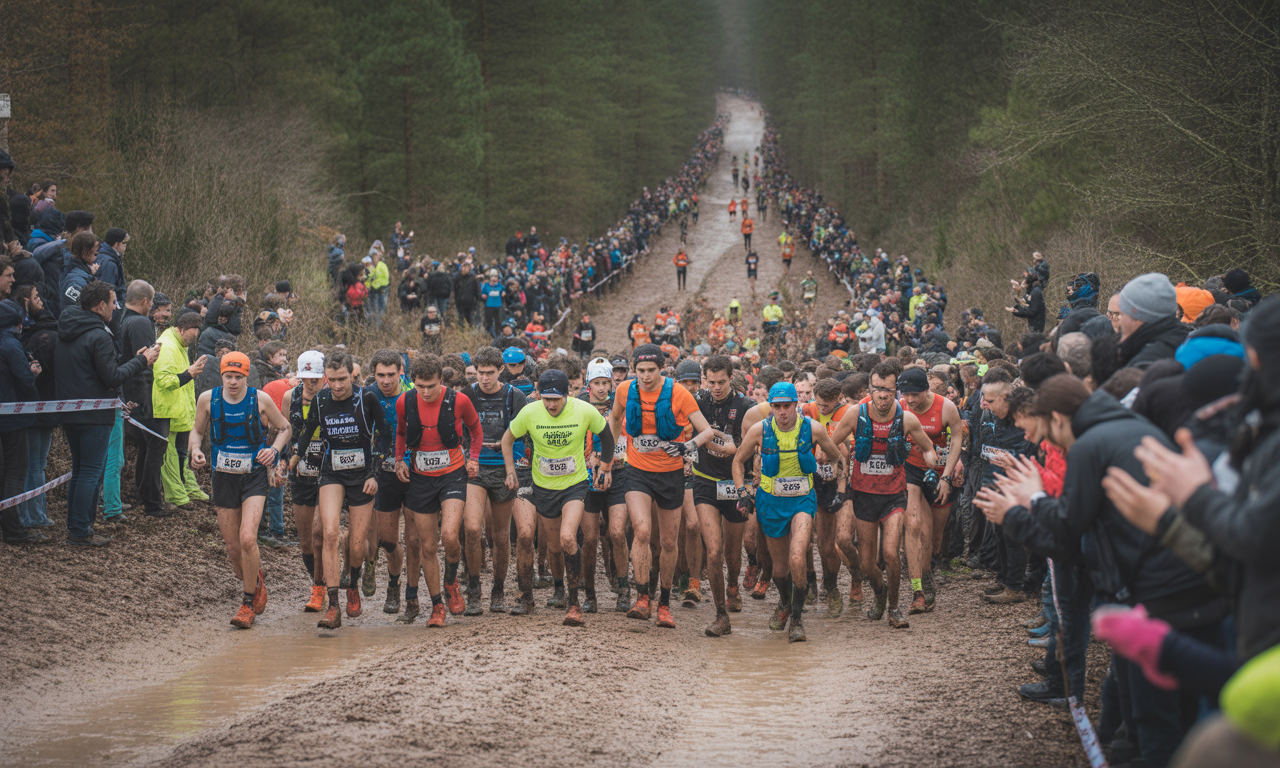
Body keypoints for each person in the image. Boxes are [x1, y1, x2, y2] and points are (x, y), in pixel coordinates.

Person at [976, 374, 1228, 768]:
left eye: (1043, 430)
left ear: (1058, 418)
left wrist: (1026, 505)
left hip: (1156, 591)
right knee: (1131, 701)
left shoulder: (1090, 444)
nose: (1043, 442)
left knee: (1153, 715)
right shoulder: (1122, 427)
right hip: (1170, 584)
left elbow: (1069, 532)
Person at [607, 343, 715, 628]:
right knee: (642, 531)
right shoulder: (624, 390)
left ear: (662, 369)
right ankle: (642, 598)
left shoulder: (679, 393)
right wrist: (607, 458)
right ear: (634, 370)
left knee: (668, 541)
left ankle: (664, 603)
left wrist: (687, 446)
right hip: (637, 472)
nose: (645, 376)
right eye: (640, 370)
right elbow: (615, 419)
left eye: (651, 370)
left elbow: (706, 431)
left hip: (670, 474)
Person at [732, 382, 847, 642]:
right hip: (771, 502)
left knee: (797, 557)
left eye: (787, 406)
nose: (783, 412)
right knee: (780, 569)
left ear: (796, 405)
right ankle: (785, 601)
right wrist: (742, 493)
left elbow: (837, 457)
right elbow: (738, 461)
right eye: (777, 407)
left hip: (802, 501)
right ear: (771, 407)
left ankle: (796, 619)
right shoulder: (759, 430)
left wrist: (839, 486)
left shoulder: (813, 429)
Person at [828, 362, 937, 628]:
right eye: (878, 389)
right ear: (870, 389)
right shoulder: (855, 414)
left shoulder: (906, 419)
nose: (883, 395)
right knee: (867, 565)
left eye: (888, 390)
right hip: (863, 494)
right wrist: (833, 460)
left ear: (895, 390)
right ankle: (880, 593)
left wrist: (932, 461)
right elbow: (831, 444)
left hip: (893, 495)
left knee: (890, 553)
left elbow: (928, 447)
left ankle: (895, 608)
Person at [503, 368, 614, 626]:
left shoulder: (584, 410)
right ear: (539, 395)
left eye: (556, 399)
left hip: (575, 485)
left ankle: (574, 604)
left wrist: (606, 467)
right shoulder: (530, 412)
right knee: (553, 547)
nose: (551, 405)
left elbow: (607, 436)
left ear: (568, 394)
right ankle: (557, 589)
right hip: (544, 487)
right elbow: (507, 440)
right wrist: (510, 471)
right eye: (546, 399)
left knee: (568, 538)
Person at [188, 352, 291, 628]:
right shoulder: (208, 399)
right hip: (223, 477)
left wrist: (274, 450)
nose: (233, 382)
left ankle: (246, 604)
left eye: (238, 377)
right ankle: (255, 582)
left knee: (247, 538)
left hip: (253, 476)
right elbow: (196, 431)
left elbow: (285, 428)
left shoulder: (260, 399)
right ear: (221, 376)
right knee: (234, 548)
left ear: (247, 376)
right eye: (228, 376)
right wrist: (195, 450)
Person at [54, 280, 159, 546]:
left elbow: (98, 369)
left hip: (70, 410)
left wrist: (133, 359)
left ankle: (79, 527)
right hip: (94, 414)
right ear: (100, 305)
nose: (116, 307)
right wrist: (142, 361)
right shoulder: (99, 334)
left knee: (80, 471)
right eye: (113, 302)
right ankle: (80, 531)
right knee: (90, 472)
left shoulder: (67, 329)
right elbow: (112, 377)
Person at [297, 351, 393, 629]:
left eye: (342, 379)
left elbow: (384, 436)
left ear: (352, 375)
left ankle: (353, 583)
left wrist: (375, 473)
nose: (337, 386)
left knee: (356, 544)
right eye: (332, 380)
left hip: (363, 476)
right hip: (332, 473)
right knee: (329, 534)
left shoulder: (367, 398)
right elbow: (308, 432)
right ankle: (333, 606)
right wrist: (292, 458)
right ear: (325, 377)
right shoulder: (321, 399)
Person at [394, 353, 483, 627]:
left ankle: (451, 580)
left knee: (450, 535)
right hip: (421, 478)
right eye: (420, 386)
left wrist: (474, 458)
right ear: (413, 381)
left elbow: (476, 430)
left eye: (431, 386)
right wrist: (399, 460)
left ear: (441, 379)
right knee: (428, 546)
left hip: (452, 475)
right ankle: (437, 605)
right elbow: (401, 432)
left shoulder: (459, 400)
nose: (425, 392)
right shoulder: (404, 401)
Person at [691, 355, 756, 636]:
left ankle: (732, 585)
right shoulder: (698, 401)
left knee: (732, 550)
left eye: (722, 382)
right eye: (711, 382)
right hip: (705, 480)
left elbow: (757, 441)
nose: (716, 388)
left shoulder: (746, 406)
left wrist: (735, 449)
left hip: (735, 482)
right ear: (704, 380)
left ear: (731, 378)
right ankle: (720, 615)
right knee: (714, 550)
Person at [464, 346, 530, 615]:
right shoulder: (468, 394)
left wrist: (511, 465)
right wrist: (467, 454)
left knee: (500, 535)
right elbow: (459, 429)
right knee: (471, 529)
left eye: (490, 373)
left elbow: (521, 435)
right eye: (480, 373)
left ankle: (499, 589)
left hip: (503, 468)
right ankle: (473, 588)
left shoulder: (515, 396)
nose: (485, 378)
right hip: (475, 469)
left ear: (501, 370)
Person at [897, 366, 964, 612]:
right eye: (905, 394)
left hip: (940, 472)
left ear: (926, 390)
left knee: (934, 539)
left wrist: (947, 476)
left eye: (915, 394)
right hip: (912, 470)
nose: (910, 399)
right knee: (915, 526)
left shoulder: (946, 407)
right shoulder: (900, 407)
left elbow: (957, 440)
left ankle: (928, 568)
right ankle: (919, 590)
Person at [362, 349, 418, 617]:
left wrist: (408, 459)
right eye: (380, 375)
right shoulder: (367, 395)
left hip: (414, 471)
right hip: (383, 472)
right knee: (387, 540)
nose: (386, 381)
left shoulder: (413, 394)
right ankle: (394, 581)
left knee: (415, 539)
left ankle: (408, 593)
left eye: (391, 375)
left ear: (401, 372)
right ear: (373, 374)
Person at [116, 280, 174, 519]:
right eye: (151, 303)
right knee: (156, 445)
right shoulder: (140, 322)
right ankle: (152, 503)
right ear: (144, 301)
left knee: (144, 445)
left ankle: (144, 494)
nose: (151, 308)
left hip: (129, 392)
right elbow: (145, 363)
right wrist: (149, 400)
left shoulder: (121, 319)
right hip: (142, 394)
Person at [581, 358, 633, 612]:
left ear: (612, 383)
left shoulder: (621, 404)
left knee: (617, 533)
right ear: (588, 384)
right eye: (596, 383)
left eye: (605, 383)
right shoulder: (578, 406)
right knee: (590, 538)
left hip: (619, 474)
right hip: (587, 477)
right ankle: (589, 594)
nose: (601, 388)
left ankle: (623, 590)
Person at [800, 377, 854, 617]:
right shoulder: (807, 410)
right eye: (819, 403)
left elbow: (848, 452)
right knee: (814, 542)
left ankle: (841, 584)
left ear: (839, 398)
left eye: (828, 404)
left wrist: (836, 449)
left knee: (836, 542)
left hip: (841, 480)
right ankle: (820, 583)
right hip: (814, 479)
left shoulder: (848, 413)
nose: (822, 408)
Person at [282, 350, 330, 613]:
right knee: (305, 540)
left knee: (320, 533)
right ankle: (317, 581)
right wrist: (280, 462)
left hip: (330, 472)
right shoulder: (291, 397)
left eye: (315, 379)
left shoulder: (333, 395)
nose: (310, 384)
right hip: (300, 472)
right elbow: (284, 432)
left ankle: (320, 588)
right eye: (305, 378)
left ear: (324, 376)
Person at [0, 298, 46, 545]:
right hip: (12, 419)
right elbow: (25, 380)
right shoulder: (11, 344)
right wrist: (34, 373)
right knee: (15, 472)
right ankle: (13, 530)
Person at [481, 271, 504, 337]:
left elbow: (504, 291)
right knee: (488, 321)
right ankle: (489, 333)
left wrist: (504, 293)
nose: (493, 282)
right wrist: (483, 295)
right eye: (492, 281)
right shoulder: (486, 285)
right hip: (488, 306)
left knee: (498, 321)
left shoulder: (500, 286)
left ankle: (497, 333)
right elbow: (482, 293)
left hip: (498, 306)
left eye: (495, 281)